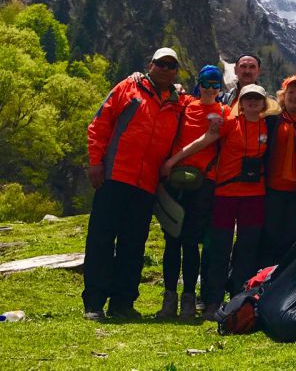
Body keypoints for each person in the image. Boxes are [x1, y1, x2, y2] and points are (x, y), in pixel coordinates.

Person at [83, 47, 184, 321]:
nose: (165, 69)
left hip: (146, 185)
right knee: (101, 240)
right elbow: (100, 124)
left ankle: (122, 303)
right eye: (161, 64)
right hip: (114, 175)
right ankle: (94, 303)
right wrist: (95, 162)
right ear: (151, 64)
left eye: (171, 65)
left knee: (133, 245)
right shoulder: (128, 87)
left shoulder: (178, 103)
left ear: (176, 71)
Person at [162, 83, 270, 319]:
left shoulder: (269, 125)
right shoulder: (230, 123)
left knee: (246, 249)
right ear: (241, 102)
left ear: (264, 104)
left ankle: (240, 301)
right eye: (248, 98)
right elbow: (203, 141)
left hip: (254, 196)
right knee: (220, 248)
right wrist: (173, 161)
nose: (252, 102)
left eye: (257, 99)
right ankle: (213, 301)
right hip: (225, 193)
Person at [155, 65, 227, 320]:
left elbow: (207, 140)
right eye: (206, 83)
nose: (210, 88)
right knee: (172, 240)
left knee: (190, 241)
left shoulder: (223, 113)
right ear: (198, 84)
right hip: (175, 182)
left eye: (215, 84)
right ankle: (169, 298)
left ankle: (187, 298)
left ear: (221, 88)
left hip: (202, 182)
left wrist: (171, 162)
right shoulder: (185, 104)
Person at [261, 74, 296, 266]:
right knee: (270, 234)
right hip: (273, 186)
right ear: (283, 96)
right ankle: (264, 276)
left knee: (291, 236)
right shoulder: (272, 119)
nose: (295, 96)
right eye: (291, 92)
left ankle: (282, 277)